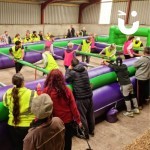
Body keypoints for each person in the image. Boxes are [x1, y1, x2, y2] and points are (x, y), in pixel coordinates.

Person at [36, 69, 82, 150]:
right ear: (61, 78)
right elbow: (73, 107)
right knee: (67, 142)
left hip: (54, 123)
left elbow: (41, 101)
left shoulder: (47, 91)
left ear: (49, 78)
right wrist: (78, 120)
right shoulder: (67, 90)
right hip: (67, 122)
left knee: (56, 144)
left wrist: (39, 90)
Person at [3, 73, 37, 150]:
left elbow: (6, 104)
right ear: (23, 82)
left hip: (12, 125)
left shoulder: (8, 93)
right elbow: (36, 107)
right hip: (27, 126)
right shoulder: (32, 93)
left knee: (17, 146)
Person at [65, 58, 95, 139]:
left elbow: (66, 78)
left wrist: (68, 69)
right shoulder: (84, 70)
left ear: (72, 65)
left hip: (81, 97)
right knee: (90, 114)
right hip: (89, 95)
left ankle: (85, 134)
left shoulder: (73, 72)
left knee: (82, 116)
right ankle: (92, 131)